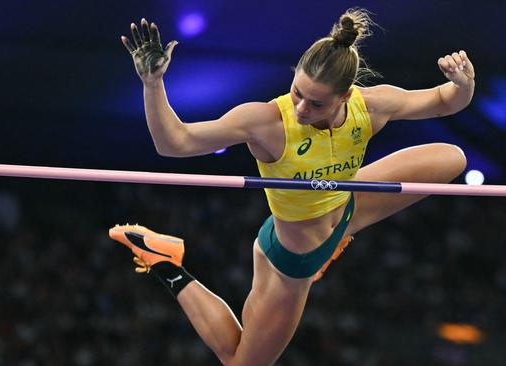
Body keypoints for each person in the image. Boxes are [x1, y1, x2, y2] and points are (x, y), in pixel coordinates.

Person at [111, 8, 474, 365]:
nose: (301, 108)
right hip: (294, 258)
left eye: (316, 103)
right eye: (297, 92)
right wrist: (152, 84)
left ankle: (339, 233)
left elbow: (445, 101)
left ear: (346, 96)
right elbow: (174, 143)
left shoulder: (371, 106)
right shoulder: (267, 122)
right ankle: (166, 262)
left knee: (453, 159)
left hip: (347, 208)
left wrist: (463, 84)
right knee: (242, 363)